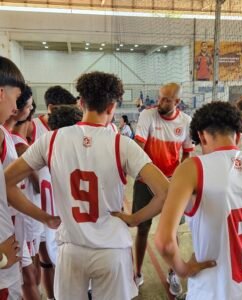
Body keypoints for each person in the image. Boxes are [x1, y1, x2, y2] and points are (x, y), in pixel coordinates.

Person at [5, 71, 169, 300]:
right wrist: (135, 218)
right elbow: (166, 191)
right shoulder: (123, 144)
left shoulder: (51, 140)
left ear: (81, 103)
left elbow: (6, 182)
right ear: (112, 107)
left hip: (71, 249)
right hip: (111, 250)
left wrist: (44, 217)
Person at [154, 101, 242, 300]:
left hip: (210, 290)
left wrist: (183, 269)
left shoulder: (192, 168)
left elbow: (164, 242)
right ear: (239, 136)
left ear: (201, 136)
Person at [0, 56, 59, 299]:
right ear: (1, 93)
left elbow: (7, 188)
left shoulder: (3, 132)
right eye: (15, 99)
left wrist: (45, 217)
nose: (16, 108)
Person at [133, 82, 194, 296]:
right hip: (145, 182)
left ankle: (173, 274)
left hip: (171, 184)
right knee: (142, 229)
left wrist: (180, 181)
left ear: (177, 102)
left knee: (172, 232)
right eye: (160, 97)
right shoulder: (147, 116)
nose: (161, 102)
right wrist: (145, 175)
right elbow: (138, 149)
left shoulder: (186, 122)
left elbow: (186, 156)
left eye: (167, 99)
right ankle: (137, 273)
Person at [29, 85, 77, 300]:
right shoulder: (34, 128)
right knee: (44, 261)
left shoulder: (70, 129)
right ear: (51, 108)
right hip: (39, 206)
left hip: (61, 206)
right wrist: (36, 181)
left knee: (61, 261)